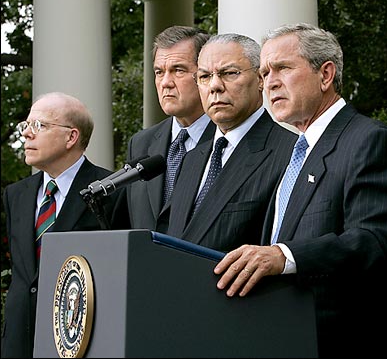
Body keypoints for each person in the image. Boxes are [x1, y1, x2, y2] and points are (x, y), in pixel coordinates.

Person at [213, 23, 387, 357]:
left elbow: (374, 241)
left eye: (283, 68)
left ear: (326, 75)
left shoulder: (369, 141)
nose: (270, 82)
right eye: (264, 73)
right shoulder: (299, 150)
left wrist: (284, 256)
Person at [1, 92, 128, 358]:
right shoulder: (16, 195)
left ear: (71, 137)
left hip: (79, 339)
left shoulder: (113, 190)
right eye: (26, 125)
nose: (27, 134)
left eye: (40, 126)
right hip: (17, 342)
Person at [156, 33, 297, 251]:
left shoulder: (290, 153)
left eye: (229, 73)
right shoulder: (193, 157)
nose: (215, 86)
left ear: (260, 79)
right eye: (204, 77)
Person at [126, 25, 215, 230]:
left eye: (178, 70)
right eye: (159, 72)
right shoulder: (141, 143)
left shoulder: (226, 140)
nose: (166, 82)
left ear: (205, 76)